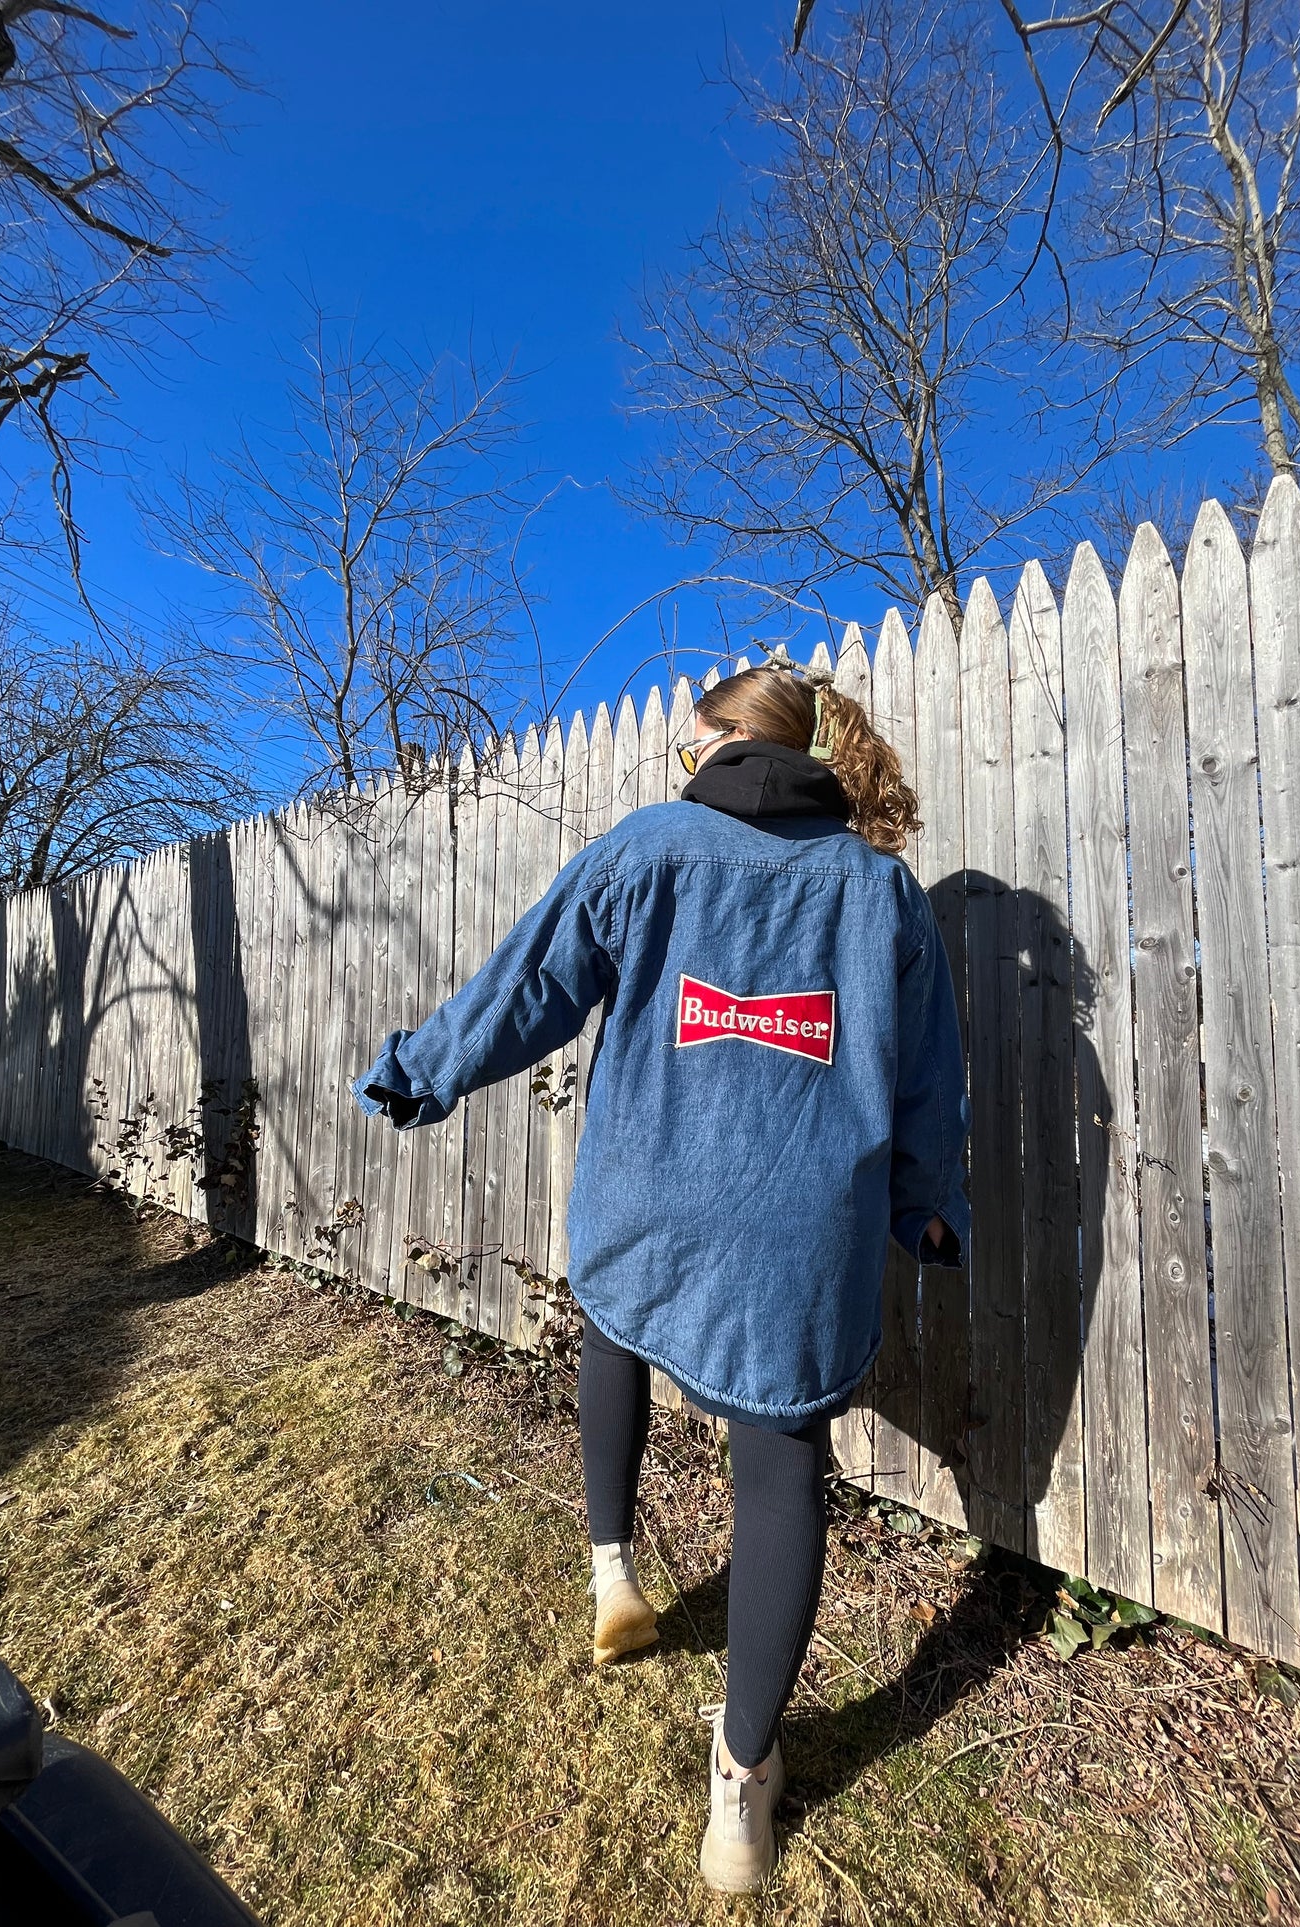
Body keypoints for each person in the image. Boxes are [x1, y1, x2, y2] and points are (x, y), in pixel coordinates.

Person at [352, 663, 971, 1894]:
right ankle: (741, 1785)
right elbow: (926, 1074)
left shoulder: (646, 850)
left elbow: (528, 983)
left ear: (714, 749)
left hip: (647, 1195)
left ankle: (613, 1572)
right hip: (798, 1230)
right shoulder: (879, 891)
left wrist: (423, 1065)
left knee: (612, 1325)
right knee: (782, 1463)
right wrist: (925, 1205)